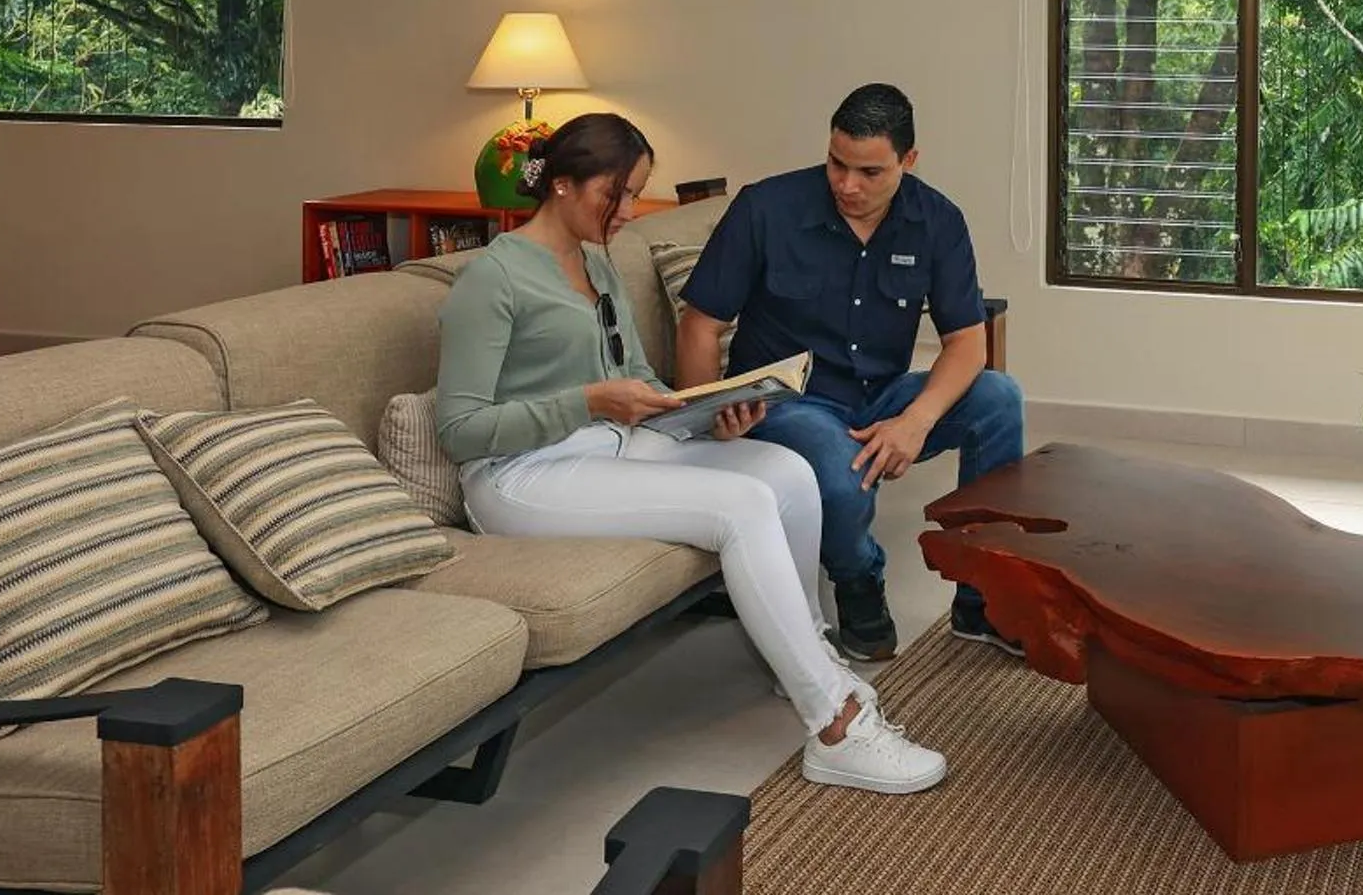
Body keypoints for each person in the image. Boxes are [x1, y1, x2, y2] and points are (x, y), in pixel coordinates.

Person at [434, 112, 945, 793]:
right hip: (522, 474)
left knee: (787, 472)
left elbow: (637, 380)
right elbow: (460, 428)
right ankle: (835, 725)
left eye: (634, 193)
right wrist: (587, 401)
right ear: (560, 184)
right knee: (740, 505)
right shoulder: (491, 279)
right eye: (613, 195)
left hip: (613, 444)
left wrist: (705, 417)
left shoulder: (595, 261)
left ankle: (805, 655)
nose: (627, 212)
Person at [678, 84, 1027, 663]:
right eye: (837, 163)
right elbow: (700, 324)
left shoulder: (937, 220)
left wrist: (916, 420)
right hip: (789, 402)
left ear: (908, 160)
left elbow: (968, 342)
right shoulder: (765, 208)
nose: (847, 185)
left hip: (881, 395)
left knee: (999, 398)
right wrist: (706, 418)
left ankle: (982, 599)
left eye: (869, 172)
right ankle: (859, 580)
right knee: (843, 468)